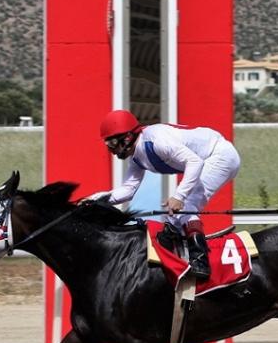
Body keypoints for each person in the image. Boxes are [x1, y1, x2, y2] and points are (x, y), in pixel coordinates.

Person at [92, 109, 241, 281]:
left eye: (111, 143)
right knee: (171, 221)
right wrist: (93, 200)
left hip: (220, 155)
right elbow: (127, 190)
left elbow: (194, 162)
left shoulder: (156, 141)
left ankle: (200, 261)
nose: (110, 149)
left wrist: (179, 197)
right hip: (208, 159)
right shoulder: (136, 157)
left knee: (187, 205)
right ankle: (178, 254)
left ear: (127, 138)